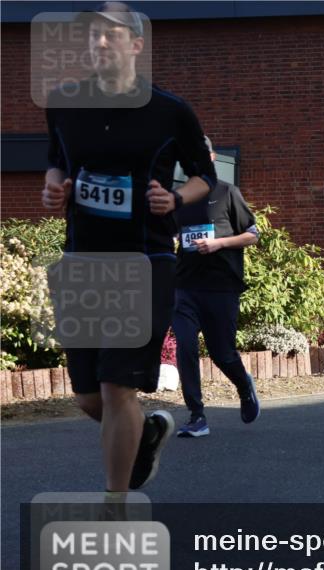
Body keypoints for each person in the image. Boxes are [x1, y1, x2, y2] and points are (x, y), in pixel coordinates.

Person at [41, 2, 215, 492]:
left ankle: (115, 506)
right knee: (89, 398)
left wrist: (175, 198)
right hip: (82, 262)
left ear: (136, 45)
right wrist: (53, 186)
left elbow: (205, 175)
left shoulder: (170, 111)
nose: (99, 43)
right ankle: (146, 434)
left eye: (111, 35)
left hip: (144, 263)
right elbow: (57, 162)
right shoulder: (64, 104)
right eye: (93, 35)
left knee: (118, 386)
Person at [172, 137, 260, 437]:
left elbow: (253, 234)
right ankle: (197, 416)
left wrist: (218, 243)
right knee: (185, 346)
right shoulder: (179, 198)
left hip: (220, 287)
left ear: (211, 157)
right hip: (185, 286)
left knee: (222, 353)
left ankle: (244, 386)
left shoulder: (227, 193)